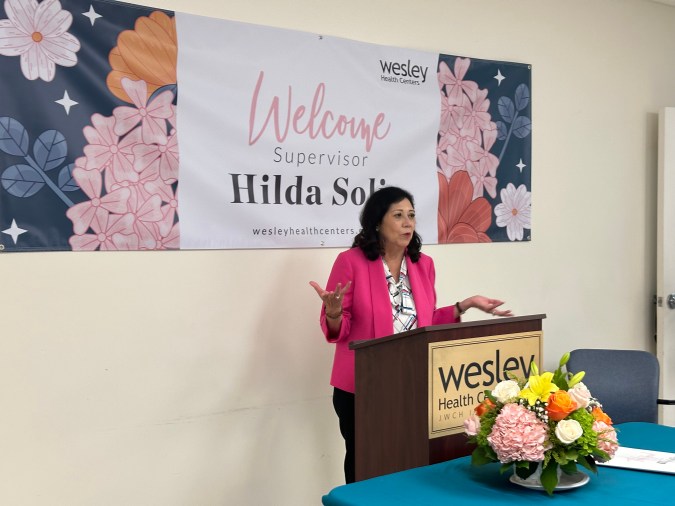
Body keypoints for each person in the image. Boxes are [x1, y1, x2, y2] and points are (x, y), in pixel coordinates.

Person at [309, 186, 512, 484]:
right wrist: (334, 312)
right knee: (364, 465)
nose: (408, 223)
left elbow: (425, 322)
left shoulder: (423, 264)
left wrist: (464, 305)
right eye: (398, 215)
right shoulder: (350, 262)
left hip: (410, 384)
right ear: (377, 222)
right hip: (362, 386)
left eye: (412, 215)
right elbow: (340, 331)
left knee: (407, 463)